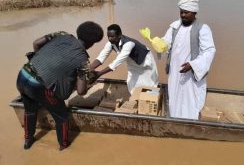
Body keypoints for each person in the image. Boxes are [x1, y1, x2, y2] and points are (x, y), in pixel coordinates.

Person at [16, 21, 103, 150]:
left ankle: (28, 140)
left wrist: (40, 60)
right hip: (40, 87)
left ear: (78, 31)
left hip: (23, 75)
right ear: (92, 43)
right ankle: (63, 145)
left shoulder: (62, 35)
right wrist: (89, 80)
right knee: (62, 116)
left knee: (30, 110)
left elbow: (36, 43)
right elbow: (80, 91)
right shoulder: (83, 62)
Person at [162, 0, 216, 119]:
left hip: (191, 73)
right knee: (174, 96)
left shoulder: (203, 28)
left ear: (194, 13)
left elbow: (209, 50)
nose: (183, 15)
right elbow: (166, 42)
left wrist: (193, 65)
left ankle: (190, 120)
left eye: (186, 12)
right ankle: (175, 119)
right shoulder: (174, 27)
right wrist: (160, 44)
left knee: (190, 99)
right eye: (181, 12)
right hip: (175, 71)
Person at [90, 24, 158, 94]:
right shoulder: (111, 43)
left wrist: (99, 74)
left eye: (112, 36)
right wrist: (90, 68)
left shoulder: (128, 43)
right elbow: (101, 57)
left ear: (119, 35)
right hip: (132, 62)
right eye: (108, 36)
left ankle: (151, 99)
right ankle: (137, 99)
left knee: (150, 82)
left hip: (144, 61)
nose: (109, 38)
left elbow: (117, 62)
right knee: (132, 84)